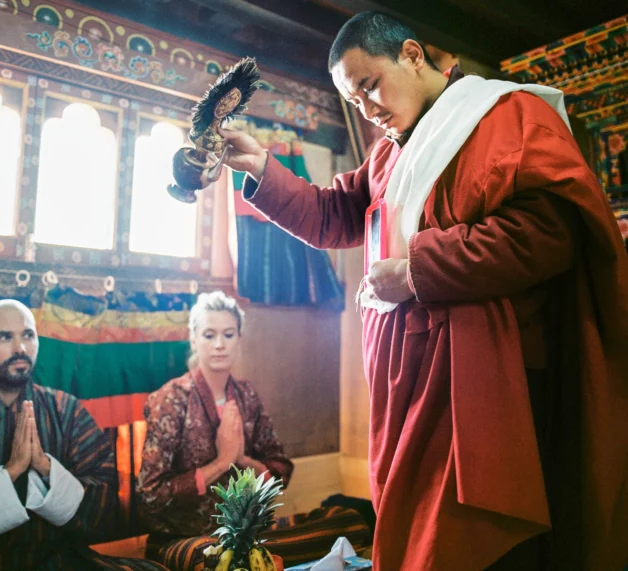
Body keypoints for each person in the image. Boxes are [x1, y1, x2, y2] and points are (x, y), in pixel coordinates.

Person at [214, 11, 628, 571]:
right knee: (413, 538)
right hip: (403, 386)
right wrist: (262, 165)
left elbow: (549, 233)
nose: (368, 108)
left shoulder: (506, 114)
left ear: (412, 54)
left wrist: (415, 272)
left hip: (484, 380)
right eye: (354, 101)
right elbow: (336, 215)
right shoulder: (390, 152)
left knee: (469, 542)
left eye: (368, 86)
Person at [0, 299, 167, 571]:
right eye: (4, 337)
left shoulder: (66, 410)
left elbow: (104, 512)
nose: (20, 348)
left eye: (28, 335)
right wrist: (11, 472)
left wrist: (46, 469)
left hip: (59, 562)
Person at [137, 291, 372, 570]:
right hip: (184, 539)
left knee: (349, 521)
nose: (220, 345)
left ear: (239, 339)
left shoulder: (246, 395)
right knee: (214, 559)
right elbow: (150, 495)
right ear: (194, 339)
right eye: (209, 335)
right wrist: (221, 463)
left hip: (245, 537)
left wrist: (243, 461)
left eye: (229, 334)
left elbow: (282, 470)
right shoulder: (171, 400)